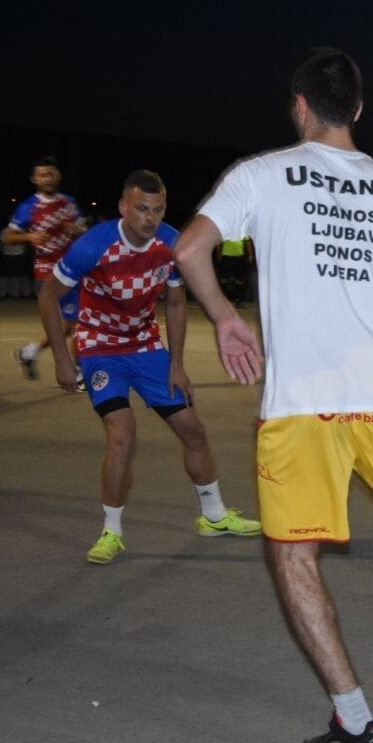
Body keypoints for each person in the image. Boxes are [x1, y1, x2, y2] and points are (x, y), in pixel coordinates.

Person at [172, 47, 373, 743]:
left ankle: (353, 721)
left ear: (300, 105)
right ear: (359, 110)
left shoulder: (260, 174)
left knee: (293, 554)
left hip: (303, 403)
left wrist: (226, 318)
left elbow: (188, 251)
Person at [37, 170, 262, 565]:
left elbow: (175, 303)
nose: (150, 218)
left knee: (193, 430)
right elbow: (48, 297)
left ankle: (213, 516)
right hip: (99, 348)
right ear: (123, 207)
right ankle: (111, 532)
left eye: (158, 210)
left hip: (145, 347)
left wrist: (177, 364)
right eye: (142, 209)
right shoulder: (93, 245)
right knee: (123, 436)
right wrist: (60, 358)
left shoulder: (172, 244)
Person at [5, 156, 85, 381]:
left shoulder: (69, 203)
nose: (47, 179)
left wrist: (77, 230)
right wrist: (28, 236)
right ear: (34, 179)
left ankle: (28, 353)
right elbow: (8, 237)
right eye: (42, 175)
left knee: (68, 325)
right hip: (47, 271)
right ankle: (79, 373)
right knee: (78, 322)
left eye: (50, 174)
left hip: (71, 268)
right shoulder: (28, 207)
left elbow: (83, 230)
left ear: (58, 176)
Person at [217, 237, 251, 307]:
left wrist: (250, 254)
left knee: (239, 279)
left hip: (239, 256)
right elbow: (218, 242)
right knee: (226, 279)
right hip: (226, 255)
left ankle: (239, 300)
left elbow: (247, 242)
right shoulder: (224, 230)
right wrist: (219, 254)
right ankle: (225, 301)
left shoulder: (242, 230)